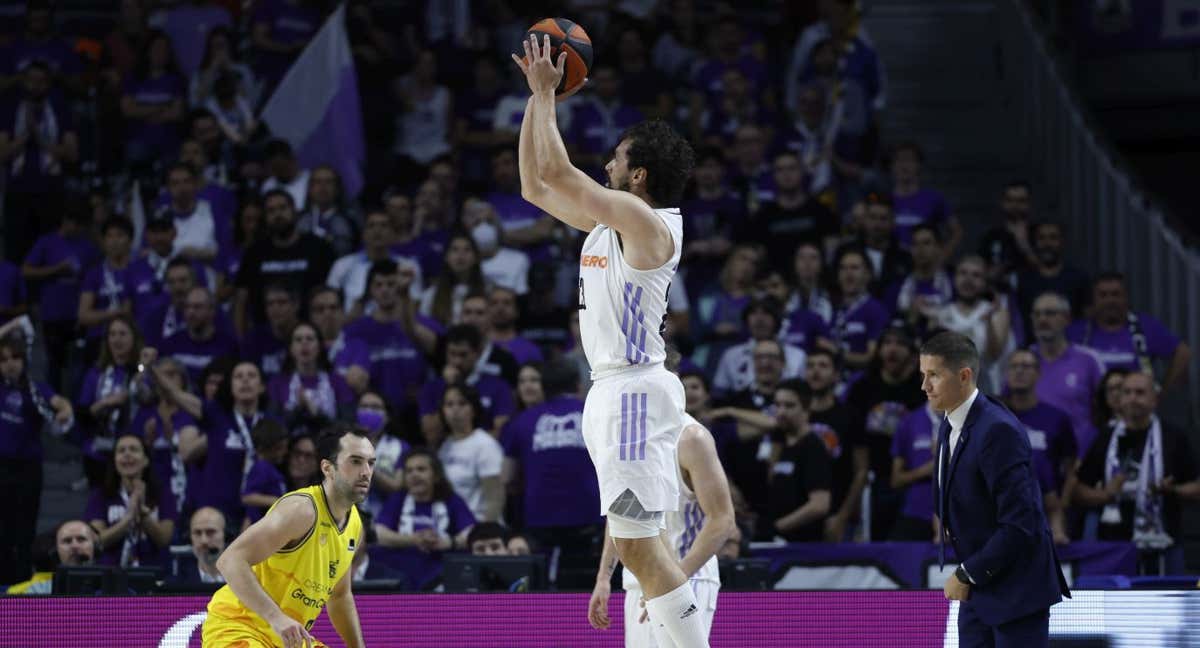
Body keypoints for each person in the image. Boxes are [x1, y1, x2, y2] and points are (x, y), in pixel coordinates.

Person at [512, 33, 706, 646]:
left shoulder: (648, 224)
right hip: (610, 389)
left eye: (617, 161)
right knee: (636, 544)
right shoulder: (610, 224)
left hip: (633, 389)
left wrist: (548, 93)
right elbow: (534, 186)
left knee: (642, 550)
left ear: (638, 175)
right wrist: (533, 101)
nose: (607, 166)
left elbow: (558, 169)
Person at [920, 331, 1069, 646]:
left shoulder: (997, 430)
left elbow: (1019, 524)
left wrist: (967, 573)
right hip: (980, 586)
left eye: (933, 375)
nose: (925, 386)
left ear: (964, 376)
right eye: (923, 375)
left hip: (1017, 590)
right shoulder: (950, 421)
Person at [204, 426, 372, 648]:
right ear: (328, 468)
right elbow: (229, 561)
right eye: (356, 461)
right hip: (239, 627)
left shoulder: (354, 525)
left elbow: (340, 597)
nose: (366, 471)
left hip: (287, 640)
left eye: (371, 463)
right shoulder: (301, 509)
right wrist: (276, 617)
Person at [588, 398, 735, 647]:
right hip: (638, 579)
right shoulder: (626, 437)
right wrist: (603, 577)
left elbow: (723, 519)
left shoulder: (691, 437)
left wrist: (673, 584)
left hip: (688, 574)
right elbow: (622, 514)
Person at [1072, 372, 1200, 574]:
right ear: (1119, 399)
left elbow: (1196, 487)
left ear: (1154, 399)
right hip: (1114, 547)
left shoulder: (1174, 437)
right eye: (1127, 392)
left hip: (1165, 543)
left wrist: (1173, 490)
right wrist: (1105, 495)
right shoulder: (1105, 437)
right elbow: (1078, 491)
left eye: (1140, 393)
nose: (1132, 398)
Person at [0, 334, 73, 585]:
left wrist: (65, 410)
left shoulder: (34, 387)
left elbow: (58, 402)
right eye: (4, 359)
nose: (10, 364)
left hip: (27, 468)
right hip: (1, 466)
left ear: (24, 360)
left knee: (24, 528)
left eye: (15, 358)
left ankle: (20, 583)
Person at [84, 433, 177, 568]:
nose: (127, 454)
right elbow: (98, 541)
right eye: (121, 451)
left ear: (146, 460)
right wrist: (128, 519)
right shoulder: (100, 496)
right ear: (115, 461)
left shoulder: (163, 494)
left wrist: (143, 514)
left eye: (134, 449)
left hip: (154, 572)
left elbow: (164, 539)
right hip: (111, 574)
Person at [6, 519, 96, 594]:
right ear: (55, 552)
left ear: (96, 548)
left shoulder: (109, 590)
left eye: (81, 539)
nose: (75, 546)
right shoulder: (31, 592)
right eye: (67, 541)